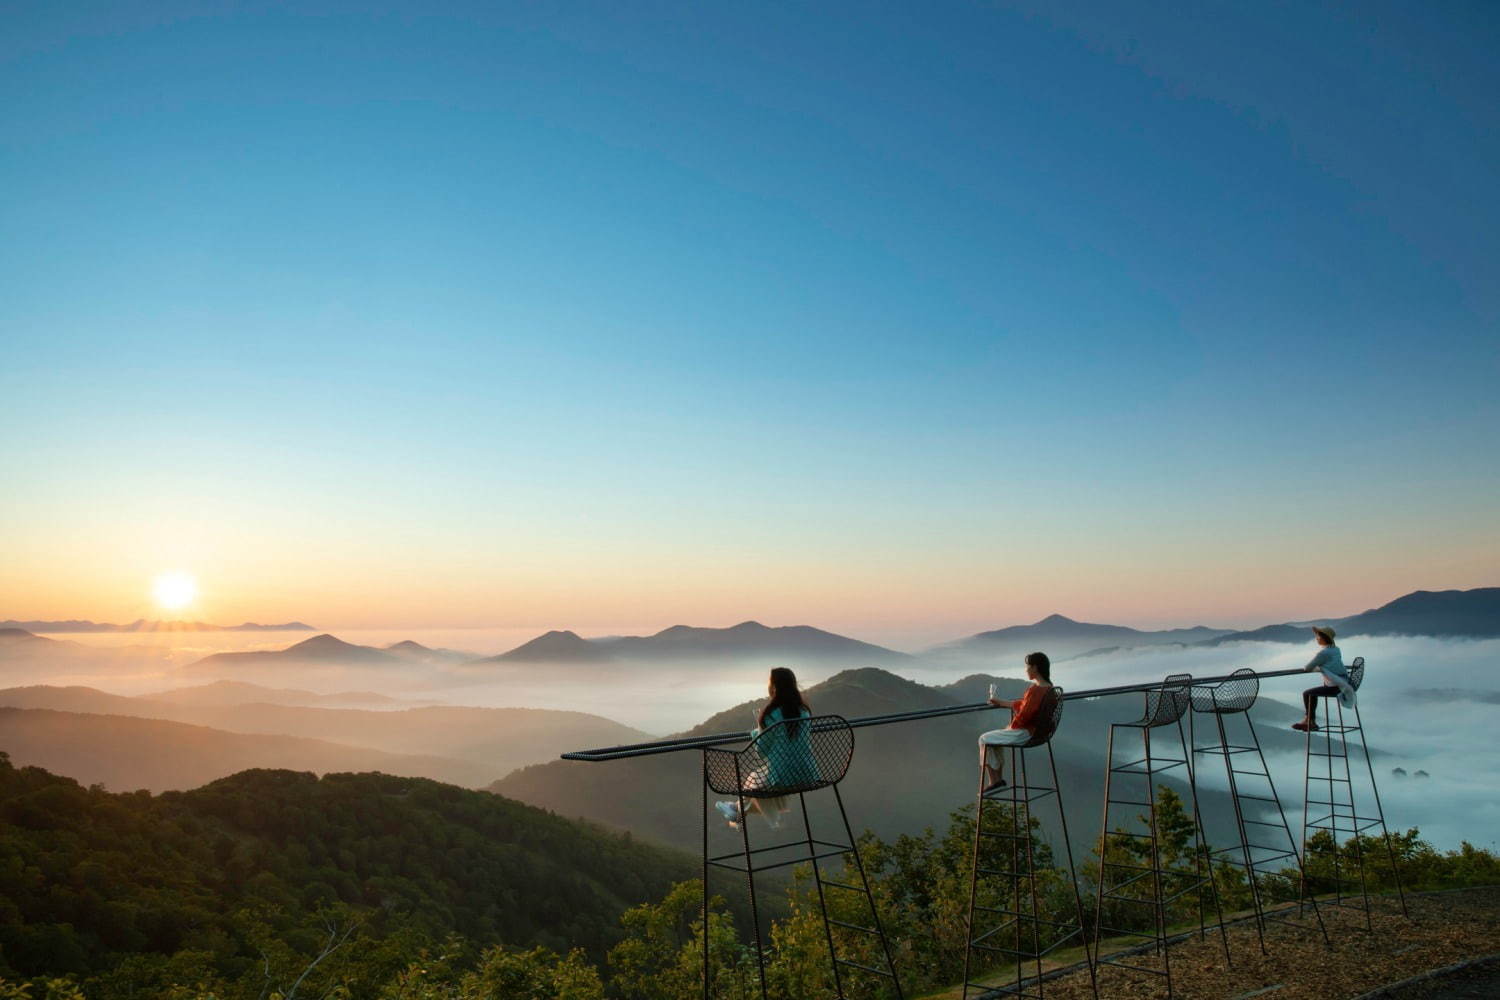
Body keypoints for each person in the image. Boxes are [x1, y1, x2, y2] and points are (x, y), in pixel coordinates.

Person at [715, 667, 814, 828]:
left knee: (757, 779)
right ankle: (736, 810)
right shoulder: (804, 711)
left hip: (783, 777)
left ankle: (737, 810)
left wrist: (758, 733)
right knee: (762, 778)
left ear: (773, 687)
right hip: (806, 773)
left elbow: (760, 752)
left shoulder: (771, 715)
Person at [978, 651, 1055, 793]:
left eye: (1027, 666)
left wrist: (1010, 727)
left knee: (984, 739)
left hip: (1025, 733)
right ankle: (998, 781)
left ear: (1035, 668)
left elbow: (1025, 714)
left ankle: (994, 780)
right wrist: (1001, 702)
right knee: (995, 739)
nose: (1026, 670)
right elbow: (1026, 705)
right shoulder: (1049, 689)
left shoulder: (1035, 690)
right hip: (1039, 733)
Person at [1293, 625, 1356, 731]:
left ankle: (1310, 722)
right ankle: (1309, 721)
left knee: (1307, 693)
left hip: (1336, 687)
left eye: (1318, 636)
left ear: (1324, 638)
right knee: (1312, 692)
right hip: (1345, 682)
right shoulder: (1336, 650)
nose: (1316, 638)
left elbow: (1307, 668)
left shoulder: (1323, 653)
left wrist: (1318, 668)